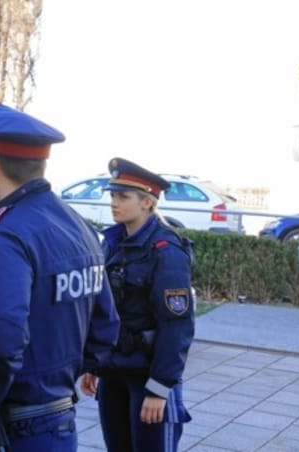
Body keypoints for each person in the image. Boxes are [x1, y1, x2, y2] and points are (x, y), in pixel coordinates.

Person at [0, 104, 120, 451]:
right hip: (57, 421)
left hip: (11, 428)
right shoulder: (76, 225)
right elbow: (105, 329)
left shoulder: (7, 235)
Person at [80, 157, 195, 452]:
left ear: (147, 202)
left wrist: (160, 387)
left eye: (123, 197)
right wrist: (95, 361)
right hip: (114, 372)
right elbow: (103, 310)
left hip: (148, 378)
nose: (114, 203)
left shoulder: (166, 250)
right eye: (113, 195)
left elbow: (177, 325)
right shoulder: (112, 243)